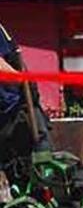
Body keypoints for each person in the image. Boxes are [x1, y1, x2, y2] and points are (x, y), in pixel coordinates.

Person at [0, 23, 51, 186]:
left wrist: (22, 79)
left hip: (16, 110)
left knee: (40, 167)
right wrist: (21, 78)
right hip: (12, 112)